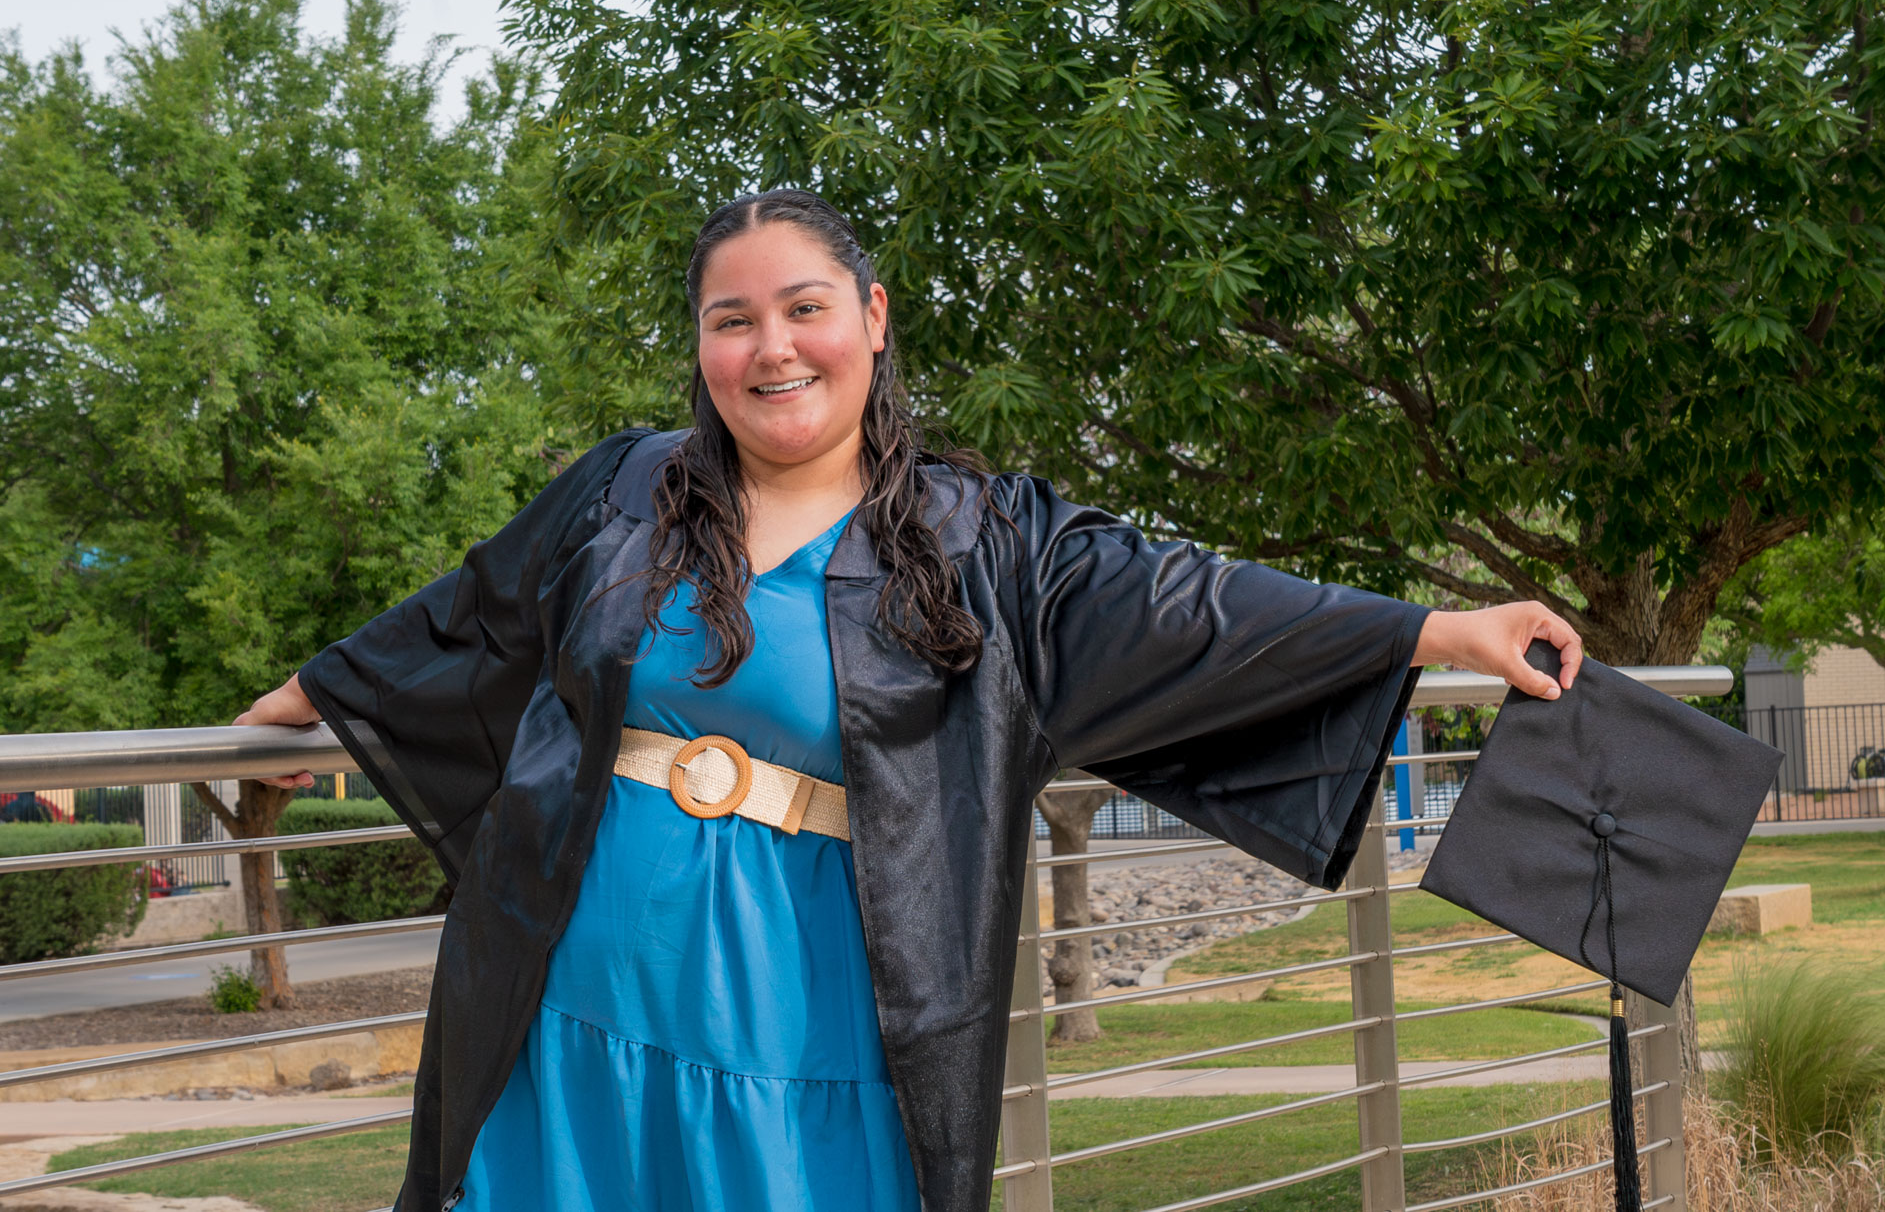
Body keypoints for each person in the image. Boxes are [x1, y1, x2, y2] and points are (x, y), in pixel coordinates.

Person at [235, 188, 1583, 1212]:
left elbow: (1192, 605)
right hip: (570, 994)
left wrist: (1438, 628)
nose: (772, 347)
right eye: (732, 319)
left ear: (872, 319)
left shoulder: (985, 540)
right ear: (700, 345)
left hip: (816, 1021)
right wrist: (297, 705)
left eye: (804, 308)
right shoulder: (624, 489)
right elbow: (474, 611)